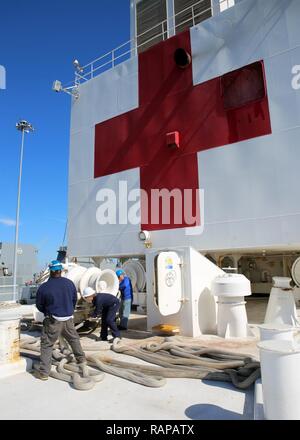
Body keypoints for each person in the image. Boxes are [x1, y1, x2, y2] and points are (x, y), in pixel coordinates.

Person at [34, 260, 87, 381]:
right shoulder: (69, 283)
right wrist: (68, 310)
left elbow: (39, 305)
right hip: (68, 319)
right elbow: (74, 300)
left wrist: (47, 312)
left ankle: (44, 373)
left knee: (47, 344)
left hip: (53, 320)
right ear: (61, 271)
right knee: (74, 339)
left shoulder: (44, 287)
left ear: (51, 271)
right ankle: (82, 361)